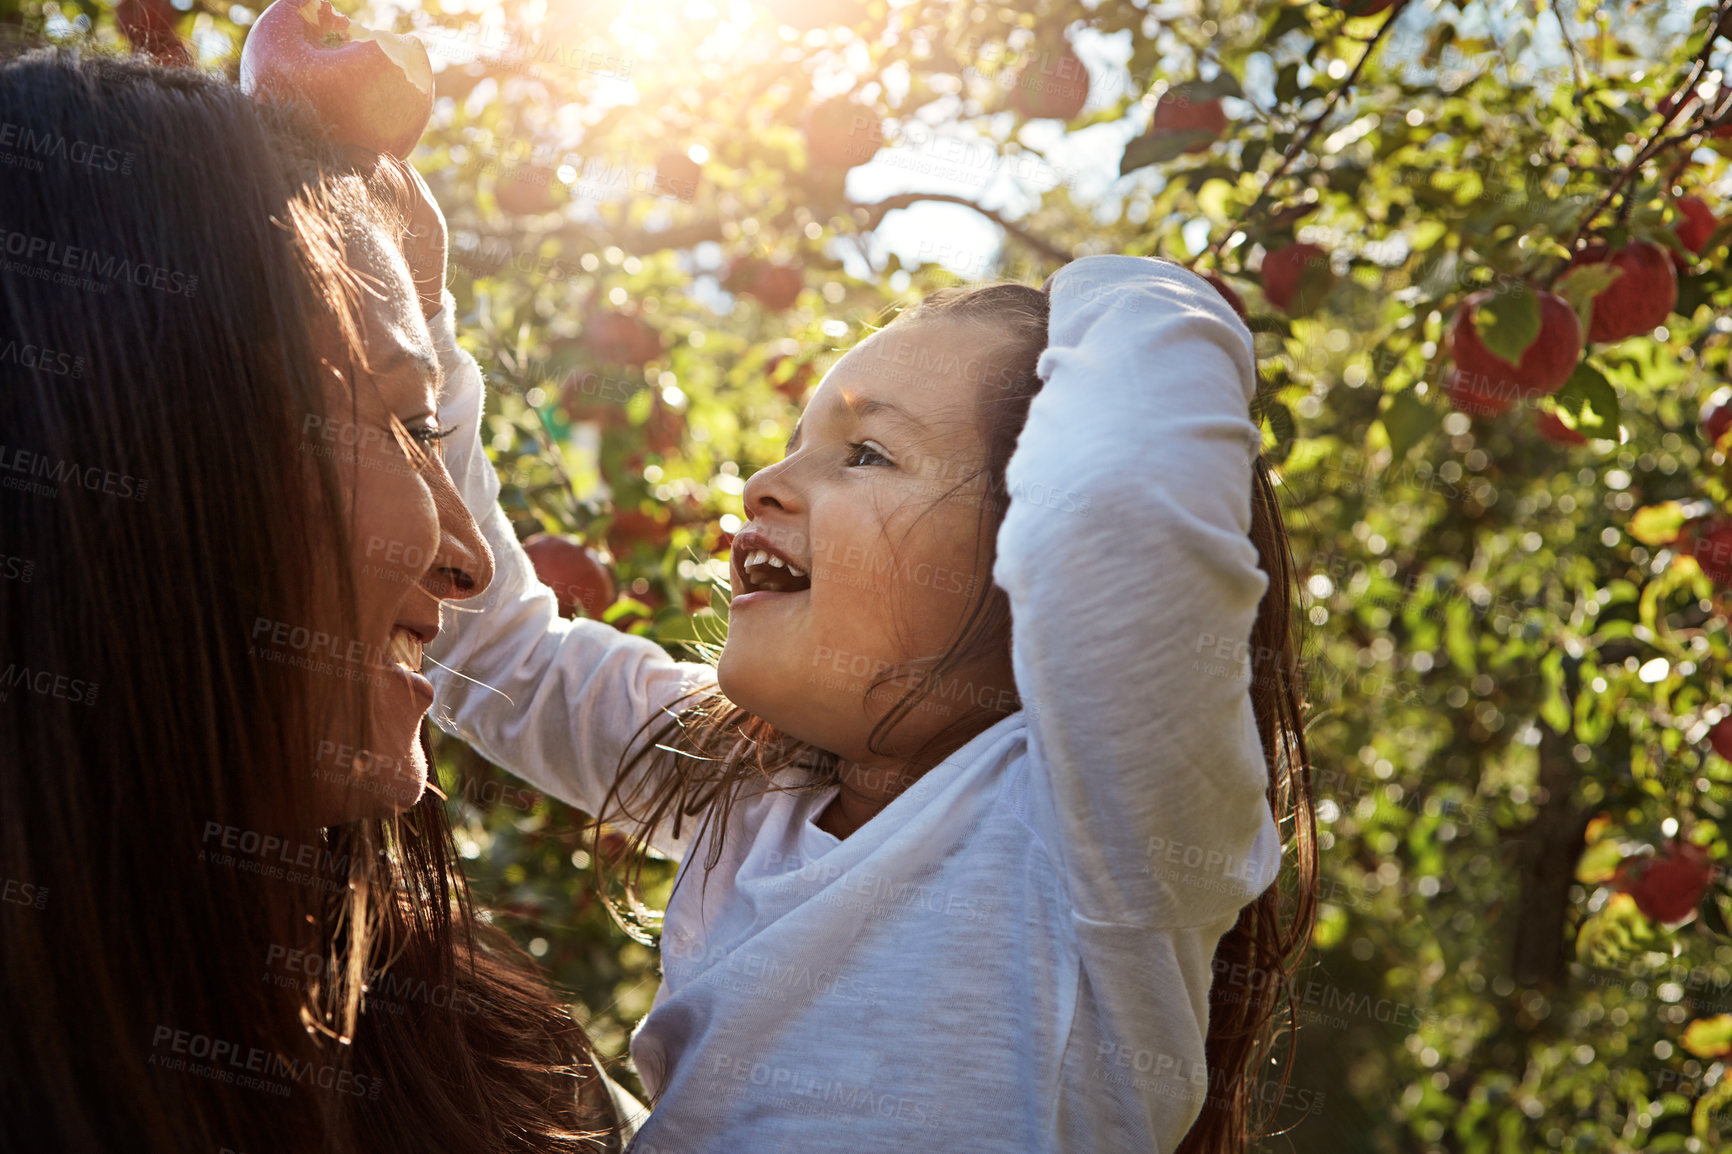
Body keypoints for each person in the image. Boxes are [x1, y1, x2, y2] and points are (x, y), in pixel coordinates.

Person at [424, 218, 1321, 1146]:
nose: (764, 483)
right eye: (796, 442)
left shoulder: (1099, 825)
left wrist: (1141, 290)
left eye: (865, 454)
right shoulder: (751, 786)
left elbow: (1124, 512)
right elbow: (491, 650)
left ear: (1031, 560)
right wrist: (411, 312)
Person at [0, 47, 627, 1153]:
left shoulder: (473, 1049)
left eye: (427, 429)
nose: (470, 561)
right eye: (397, 425)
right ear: (138, 437)